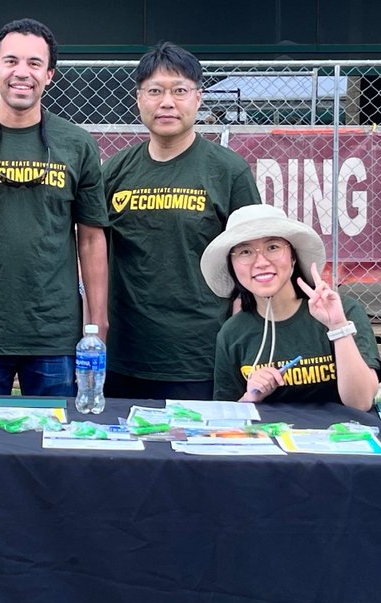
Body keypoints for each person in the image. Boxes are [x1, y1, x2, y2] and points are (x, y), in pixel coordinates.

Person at [0, 18, 108, 397]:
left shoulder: (77, 144)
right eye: (10, 61)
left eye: (34, 63)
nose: (21, 73)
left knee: (54, 445)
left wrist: (98, 323)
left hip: (55, 334)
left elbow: (91, 239)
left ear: (50, 75)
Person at [104, 42, 260, 401]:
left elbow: (251, 261)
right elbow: (91, 252)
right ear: (139, 98)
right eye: (155, 91)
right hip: (124, 355)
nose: (167, 102)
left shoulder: (227, 170)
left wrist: (240, 342)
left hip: (199, 357)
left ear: (198, 98)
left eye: (179, 91)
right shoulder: (113, 171)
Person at [201, 204, 381, 409]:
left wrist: (338, 327)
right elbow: (227, 415)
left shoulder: (343, 311)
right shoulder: (232, 333)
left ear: (293, 257)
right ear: (232, 267)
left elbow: (361, 403)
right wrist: (249, 398)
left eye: (273, 247)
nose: (261, 261)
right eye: (245, 251)